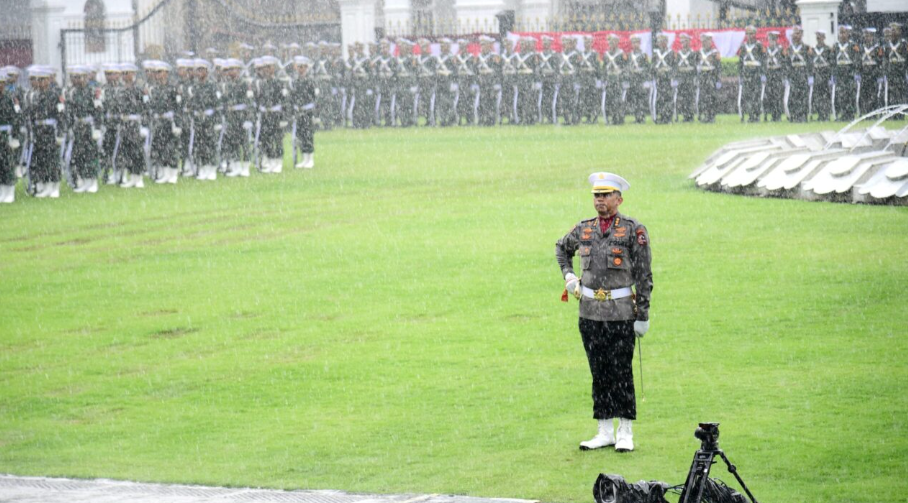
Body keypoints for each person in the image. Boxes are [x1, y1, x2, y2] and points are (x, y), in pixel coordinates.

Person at [555, 172, 652, 452]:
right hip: (590, 314)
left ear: (619, 199)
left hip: (621, 313)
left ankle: (626, 431)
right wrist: (569, 277)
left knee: (622, 371)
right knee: (599, 371)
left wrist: (643, 314)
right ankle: (604, 430)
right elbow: (562, 249)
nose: (600, 200)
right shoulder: (584, 229)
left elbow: (644, 275)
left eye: (606, 195)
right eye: (596, 195)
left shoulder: (634, 230)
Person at [23, 65, 65, 197]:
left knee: (53, 159)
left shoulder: (55, 95)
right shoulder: (34, 96)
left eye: (42, 80)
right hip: (39, 131)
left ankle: (55, 186)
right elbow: (30, 115)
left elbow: (61, 115)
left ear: (48, 80)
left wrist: (60, 133)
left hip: (50, 131)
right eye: (38, 80)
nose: (40, 83)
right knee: (41, 159)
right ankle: (46, 186)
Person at [63, 65, 102, 192]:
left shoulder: (92, 92)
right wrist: (68, 128)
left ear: (85, 78)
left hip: (89, 126)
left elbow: (98, 111)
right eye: (74, 77)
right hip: (77, 127)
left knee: (91, 154)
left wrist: (97, 128)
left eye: (79, 77)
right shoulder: (70, 92)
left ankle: (93, 181)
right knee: (79, 155)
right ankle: (84, 181)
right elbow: (68, 111)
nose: (76, 80)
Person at [290, 56, 316, 169]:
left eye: (303, 67)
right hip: (298, 111)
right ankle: (304, 158)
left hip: (308, 111)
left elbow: (316, 97)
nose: (301, 69)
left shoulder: (310, 80)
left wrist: (316, 113)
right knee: (300, 135)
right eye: (299, 67)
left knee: (308, 135)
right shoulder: (295, 81)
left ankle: (310, 159)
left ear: (306, 68)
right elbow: (292, 97)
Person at [0, 70, 21, 203]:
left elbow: (17, 118)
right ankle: (2, 191)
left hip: (7, 135)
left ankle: (10, 192)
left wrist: (15, 137)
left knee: (8, 164)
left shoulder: (11, 98)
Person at [737, 26, 764, 122]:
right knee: (746, 96)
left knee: (755, 96)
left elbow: (763, 60)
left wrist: (763, 74)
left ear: (755, 34)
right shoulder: (743, 46)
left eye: (751, 33)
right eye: (747, 34)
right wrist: (740, 74)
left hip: (756, 73)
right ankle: (746, 115)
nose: (749, 36)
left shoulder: (759, 45)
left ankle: (755, 116)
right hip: (746, 73)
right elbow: (740, 61)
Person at [833, 25, 860, 121]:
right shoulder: (836, 46)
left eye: (844, 32)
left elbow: (857, 60)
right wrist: (834, 74)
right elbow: (833, 61)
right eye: (840, 33)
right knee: (841, 96)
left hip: (850, 74)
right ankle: (843, 114)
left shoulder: (853, 45)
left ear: (848, 34)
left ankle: (850, 115)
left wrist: (856, 72)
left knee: (850, 95)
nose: (842, 35)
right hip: (840, 74)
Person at [785, 27, 811, 123]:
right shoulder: (789, 48)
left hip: (803, 73)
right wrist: (787, 76)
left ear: (801, 35)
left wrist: (810, 75)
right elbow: (787, 63)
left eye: (798, 33)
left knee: (803, 96)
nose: (795, 36)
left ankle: (803, 116)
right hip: (793, 75)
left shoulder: (806, 48)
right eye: (794, 33)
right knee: (793, 96)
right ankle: (794, 115)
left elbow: (809, 62)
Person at [651, 33, 675, 124]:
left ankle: (668, 117)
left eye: (663, 41)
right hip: (659, 79)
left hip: (667, 79)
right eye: (660, 41)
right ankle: (660, 116)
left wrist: (669, 74)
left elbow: (673, 66)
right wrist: (656, 72)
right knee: (659, 99)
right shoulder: (655, 53)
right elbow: (652, 66)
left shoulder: (671, 53)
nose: (662, 43)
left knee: (668, 99)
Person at [697, 33, 721, 123]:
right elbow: (697, 66)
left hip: (711, 77)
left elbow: (718, 67)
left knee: (711, 98)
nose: (704, 43)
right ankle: (706, 115)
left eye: (706, 41)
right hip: (703, 77)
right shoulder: (699, 52)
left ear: (710, 41)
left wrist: (718, 79)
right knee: (703, 98)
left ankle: (712, 116)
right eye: (703, 41)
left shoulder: (715, 53)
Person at [602, 34, 626, 125]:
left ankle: (619, 118)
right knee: (610, 100)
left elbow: (625, 67)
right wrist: (604, 79)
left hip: (617, 79)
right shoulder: (606, 54)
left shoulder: (621, 53)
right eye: (610, 42)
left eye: (614, 42)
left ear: (617, 42)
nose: (612, 44)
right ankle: (612, 118)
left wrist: (622, 77)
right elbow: (604, 68)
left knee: (618, 100)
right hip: (609, 79)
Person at [674, 33, 698, 123]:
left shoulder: (693, 53)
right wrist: (676, 78)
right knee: (682, 99)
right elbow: (676, 67)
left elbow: (695, 67)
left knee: (690, 98)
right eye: (682, 42)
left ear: (689, 42)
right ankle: (685, 115)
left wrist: (695, 78)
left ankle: (690, 116)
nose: (684, 43)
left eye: (686, 41)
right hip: (682, 78)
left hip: (689, 78)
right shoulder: (679, 54)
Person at [885, 24, 908, 112]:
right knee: (891, 93)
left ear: (899, 32)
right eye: (891, 30)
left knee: (901, 93)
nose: (892, 32)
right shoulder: (887, 45)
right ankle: (892, 112)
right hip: (891, 72)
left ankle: (901, 112)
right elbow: (885, 59)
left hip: (901, 72)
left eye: (895, 30)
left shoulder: (904, 44)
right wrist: (885, 71)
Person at [812, 30, 833, 121]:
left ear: (824, 37)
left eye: (820, 36)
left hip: (825, 75)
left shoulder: (828, 49)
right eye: (817, 36)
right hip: (817, 74)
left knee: (826, 96)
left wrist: (830, 76)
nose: (818, 38)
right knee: (818, 96)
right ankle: (820, 114)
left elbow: (831, 62)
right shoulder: (813, 49)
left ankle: (826, 114)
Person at [763, 32, 785, 121]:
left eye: (772, 39)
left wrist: (783, 76)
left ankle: (778, 115)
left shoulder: (780, 49)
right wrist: (764, 74)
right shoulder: (767, 49)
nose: (770, 41)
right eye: (769, 40)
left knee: (777, 96)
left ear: (776, 40)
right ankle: (773, 114)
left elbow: (784, 63)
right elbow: (764, 63)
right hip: (769, 74)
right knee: (770, 96)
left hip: (777, 73)